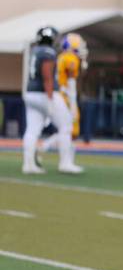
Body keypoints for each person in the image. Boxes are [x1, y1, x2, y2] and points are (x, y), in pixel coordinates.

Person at [22, 26, 82, 174]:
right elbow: (47, 76)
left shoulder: (35, 51)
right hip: (44, 94)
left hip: (30, 93)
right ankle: (65, 163)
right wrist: (50, 100)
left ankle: (28, 164)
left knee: (32, 130)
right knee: (66, 125)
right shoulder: (47, 52)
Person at [38, 32, 87, 164]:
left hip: (59, 95)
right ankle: (49, 150)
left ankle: (65, 158)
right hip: (64, 96)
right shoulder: (71, 59)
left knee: (69, 131)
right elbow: (71, 83)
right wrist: (72, 103)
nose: (82, 49)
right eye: (79, 45)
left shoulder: (62, 57)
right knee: (70, 130)